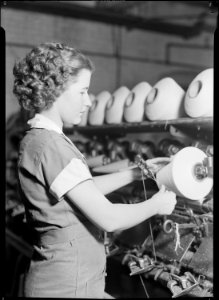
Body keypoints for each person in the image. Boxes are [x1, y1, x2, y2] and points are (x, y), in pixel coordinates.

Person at [13, 42, 177, 298]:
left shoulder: (41, 139)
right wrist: (157, 205)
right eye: (82, 91)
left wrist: (135, 173)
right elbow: (108, 219)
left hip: (71, 282)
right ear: (56, 91)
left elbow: (81, 191)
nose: (88, 102)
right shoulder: (50, 146)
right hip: (66, 286)